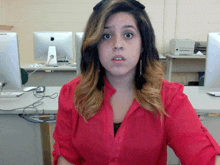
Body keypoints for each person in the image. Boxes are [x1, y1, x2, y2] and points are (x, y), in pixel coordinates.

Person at [52, 0, 220, 164]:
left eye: (128, 34)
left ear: (143, 44)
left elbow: (201, 152)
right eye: (106, 35)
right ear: (95, 45)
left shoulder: (169, 98)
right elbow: (66, 157)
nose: (117, 44)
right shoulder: (73, 94)